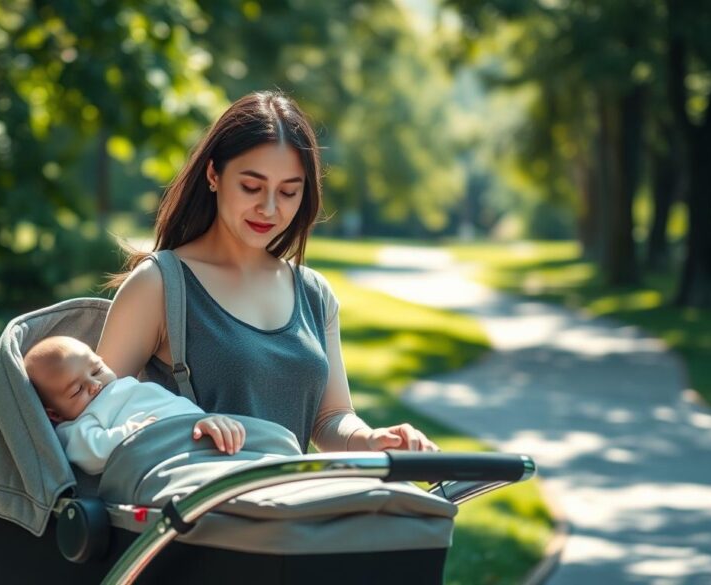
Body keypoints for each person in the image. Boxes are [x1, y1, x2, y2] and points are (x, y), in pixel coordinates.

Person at [97, 90, 439, 455]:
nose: (269, 208)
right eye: (251, 186)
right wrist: (181, 424)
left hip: (291, 506)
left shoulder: (313, 293)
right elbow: (95, 415)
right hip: (196, 506)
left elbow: (330, 417)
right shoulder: (159, 285)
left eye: (289, 192)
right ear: (213, 173)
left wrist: (372, 439)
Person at [24, 335, 246, 475]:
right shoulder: (77, 425)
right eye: (77, 390)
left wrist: (204, 420)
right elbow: (94, 453)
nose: (94, 385)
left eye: (97, 370)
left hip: (198, 430)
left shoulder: (126, 387)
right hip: (166, 454)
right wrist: (132, 433)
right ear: (55, 414)